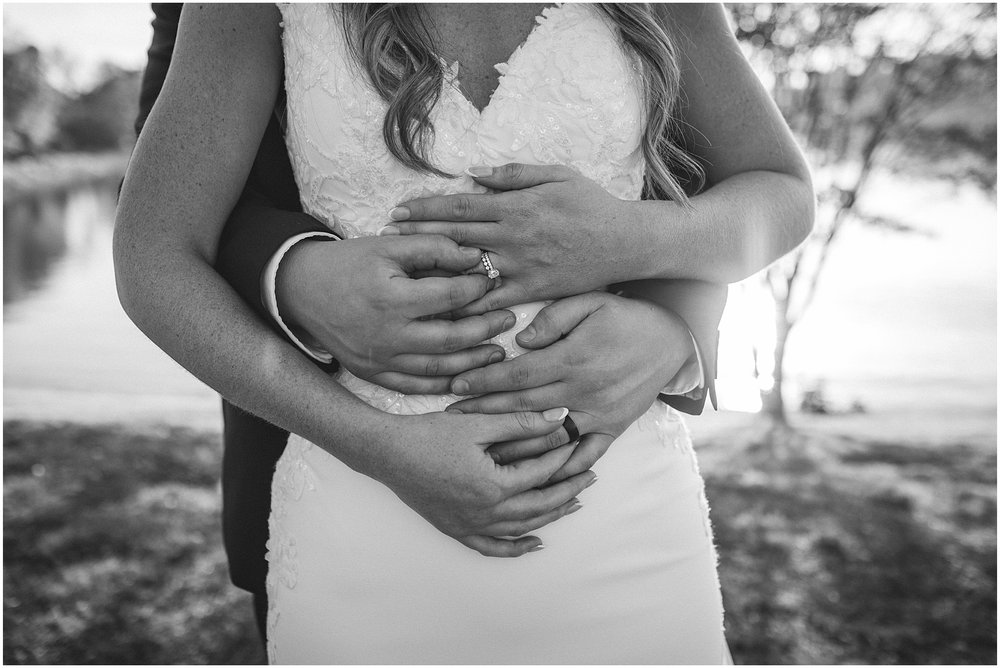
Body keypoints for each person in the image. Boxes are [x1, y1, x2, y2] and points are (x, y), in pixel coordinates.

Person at [116, 3, 813, 663]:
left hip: (627, 525)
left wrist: (633, 240)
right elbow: (155, 252)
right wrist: (375, 443)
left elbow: (779, 189)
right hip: (365, 527)